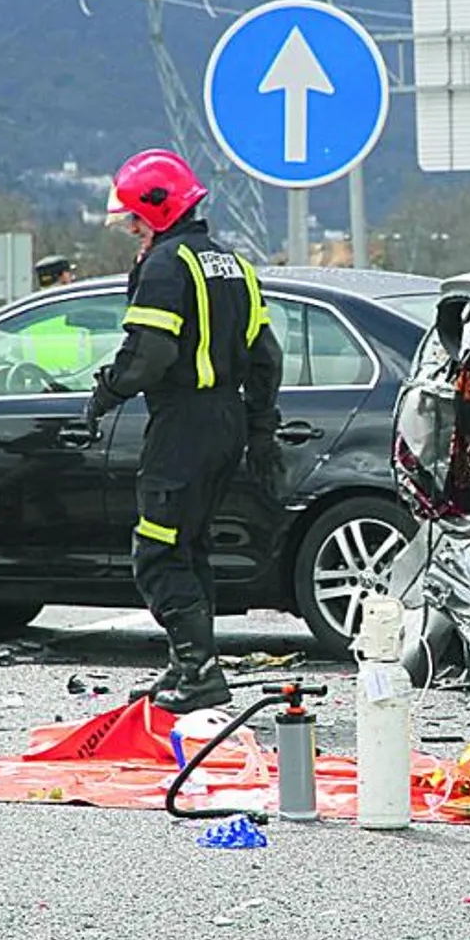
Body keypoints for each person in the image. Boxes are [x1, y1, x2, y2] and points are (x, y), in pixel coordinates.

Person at [81, 149, 284, 715]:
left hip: (183, 424)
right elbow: (265, 356)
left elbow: (150, 353)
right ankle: (190, 663)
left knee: (157, 549)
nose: (133, 232)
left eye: (136, 221)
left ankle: (198, 672)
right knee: (190, 545)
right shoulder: (232, 264)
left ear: (159, 211)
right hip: (228, 420)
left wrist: (106, 392)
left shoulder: (167, 266)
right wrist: (261, 430)